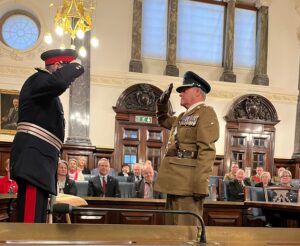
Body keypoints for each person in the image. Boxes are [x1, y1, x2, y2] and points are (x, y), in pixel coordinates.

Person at [9, 48, 84, 223]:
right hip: (33, 160)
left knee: (37, 216)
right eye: (64, 70)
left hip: (39, 160)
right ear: (58, 65)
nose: (69, 81)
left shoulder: (45, 89)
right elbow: (59, 83)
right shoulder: (38, 80)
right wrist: (77, 67)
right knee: (30, 219)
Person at [154, 71, 220, 225]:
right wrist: (162, 104)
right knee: (172, 232)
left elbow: (207, 150)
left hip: (189, 184)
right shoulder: (183, 116)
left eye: (184, 90)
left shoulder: (206, 113)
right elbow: (163, 120)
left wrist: (200, 185)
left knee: (186, 231)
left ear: (197, 91)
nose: (180, 94)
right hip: (174, 182)